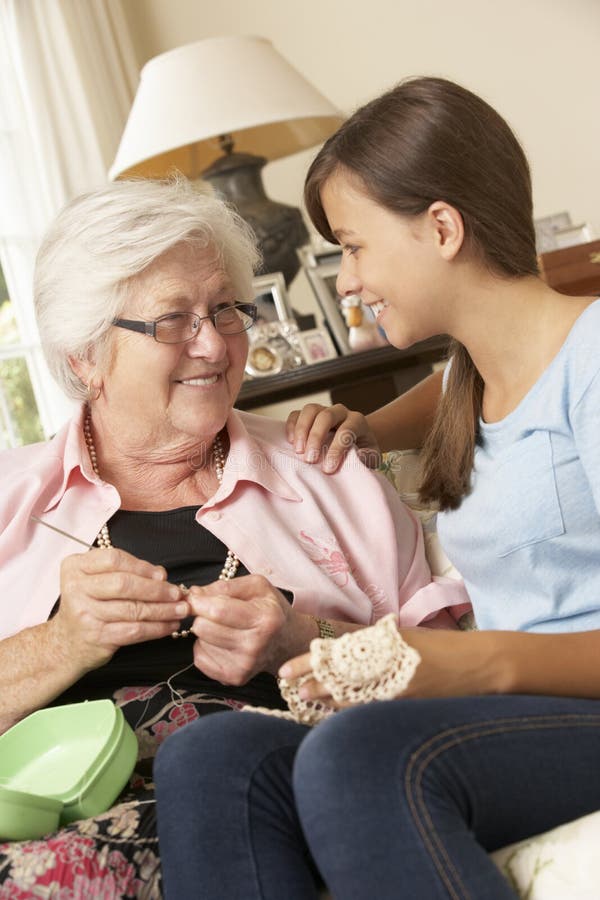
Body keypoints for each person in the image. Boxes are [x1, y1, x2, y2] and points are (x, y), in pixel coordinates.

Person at [154, 76, 600, 900]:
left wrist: (462, 663)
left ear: (440, 227)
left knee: (360, 755)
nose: (347, 279)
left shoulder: (593, 361)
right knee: (213, 760)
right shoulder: (475, 374)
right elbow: (462, 396)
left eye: (354, 246)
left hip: (575, 703)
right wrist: (366, 427)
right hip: (525, 712)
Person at [0, 177, 466, 895]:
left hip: (264, 793)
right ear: (82, 358)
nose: (214, 344)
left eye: (225, 310)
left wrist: (304, 639)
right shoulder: (10, 503)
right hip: (40, 806)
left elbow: (457, 682)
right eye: (171, 321)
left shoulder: (326, 474)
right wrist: (58, 645)